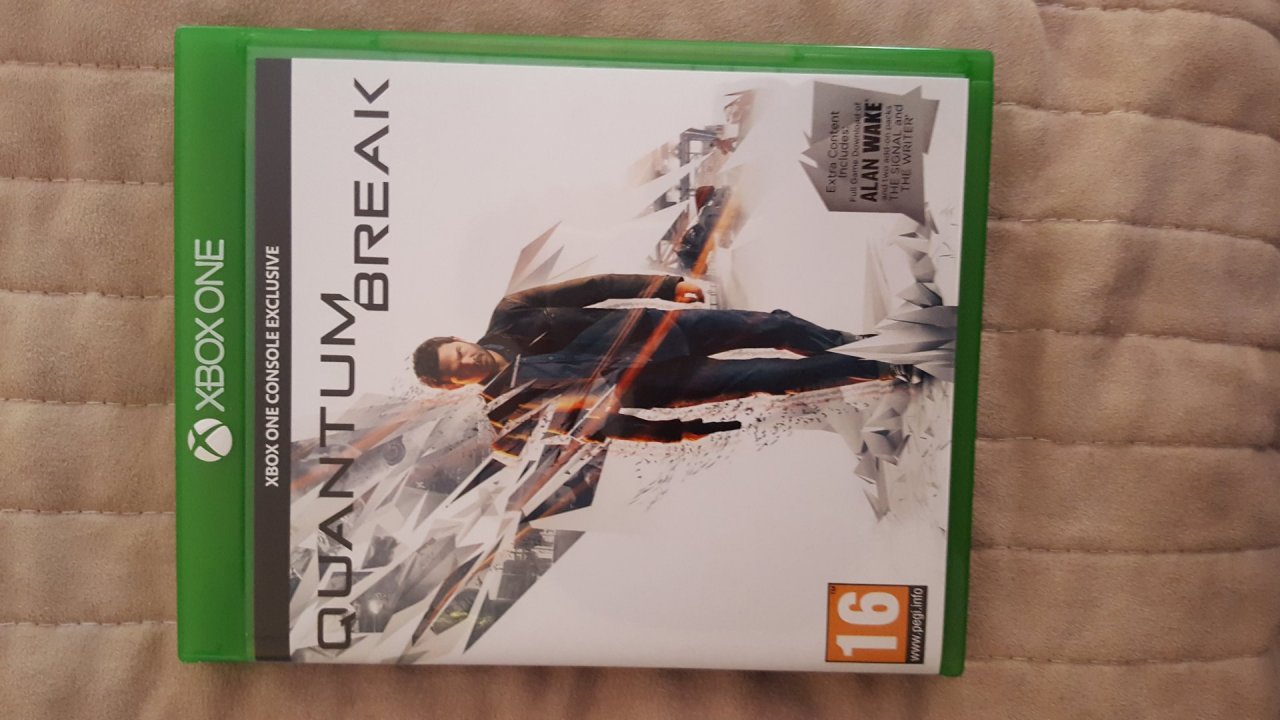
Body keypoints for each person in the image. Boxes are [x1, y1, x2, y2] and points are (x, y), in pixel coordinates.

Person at [413, 273, 892, 441]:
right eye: (458, 370)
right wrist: (674, 432)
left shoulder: (511, 312)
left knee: (774, 325)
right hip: (664, 386)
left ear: (457, 338)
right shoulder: (507, 412)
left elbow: (595, 287)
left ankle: (856, 345)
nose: (468, 360)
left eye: (458, 351)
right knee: (776, 376)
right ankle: (881, 363)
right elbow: (596, 429)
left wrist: (666, 286)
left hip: (662, 330)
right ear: (455, 387)